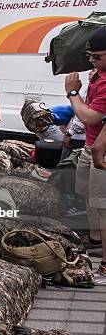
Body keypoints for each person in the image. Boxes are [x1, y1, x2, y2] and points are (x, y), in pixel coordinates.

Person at [65, 26, 106, 285]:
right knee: (89, 198)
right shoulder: (98, 75)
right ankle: (95, 240)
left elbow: (90, 115)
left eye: (97, 56)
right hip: (91, 147)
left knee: (103, 207)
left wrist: (72, 92)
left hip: (102, 150)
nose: (90, 60)